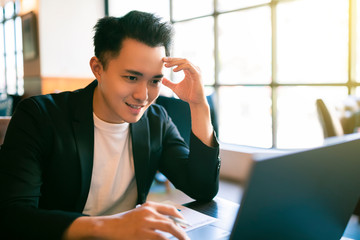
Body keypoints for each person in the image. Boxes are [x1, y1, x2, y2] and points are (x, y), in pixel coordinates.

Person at [0, 10, 220, 240]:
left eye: (155, 80)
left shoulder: (156, 119)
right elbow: (12, 217)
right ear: (98, 69)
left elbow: (202, 188)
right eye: (131, 78)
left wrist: (198, 105)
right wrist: (109, 227)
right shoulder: (40, 116)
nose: (143, 95)